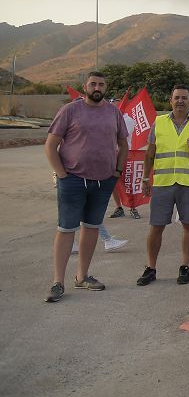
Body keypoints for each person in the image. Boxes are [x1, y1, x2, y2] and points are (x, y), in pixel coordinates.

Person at [43, 72, 129, 302]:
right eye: (93, 83)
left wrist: (117, 172)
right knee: (66, 229)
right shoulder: (70, 110)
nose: (97, 87)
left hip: (103, 182)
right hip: (72, 179)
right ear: (85, 87)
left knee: (91, 228)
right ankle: (58, 282)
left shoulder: (114, 113)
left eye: (101, 83)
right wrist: (62, 174)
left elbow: (123, 143)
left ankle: (82, 276)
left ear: (106, 87)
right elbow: (51, 145)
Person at [136, 85, 189, 287]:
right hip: (163, 183)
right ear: (170, 100)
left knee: (188, 224)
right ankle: (151, 268)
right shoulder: (159, 123)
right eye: (177, 97)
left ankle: (184, 266)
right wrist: (145, 179)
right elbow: (150, 153)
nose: (180, 101)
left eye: (184, 98)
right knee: (156, 226)